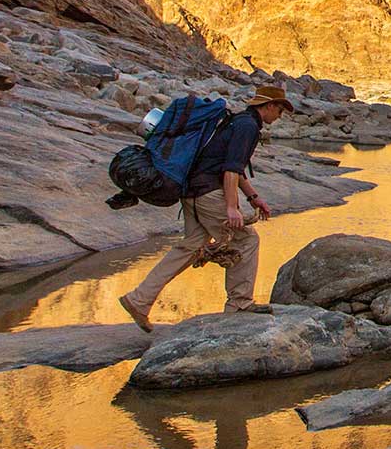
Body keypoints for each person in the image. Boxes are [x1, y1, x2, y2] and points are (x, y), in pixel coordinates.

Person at [119, 85, 295, 331]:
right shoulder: (248, 127)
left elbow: (232, 166)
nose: (280, 116)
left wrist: (253, 197)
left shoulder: (237, 121)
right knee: (246, 240)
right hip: (208, 194)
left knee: (191, 245)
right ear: (267, 106)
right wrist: (233, 208)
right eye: (279, 109)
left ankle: (139, 299)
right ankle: (240, 304)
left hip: (190, 191)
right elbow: (231, 169)